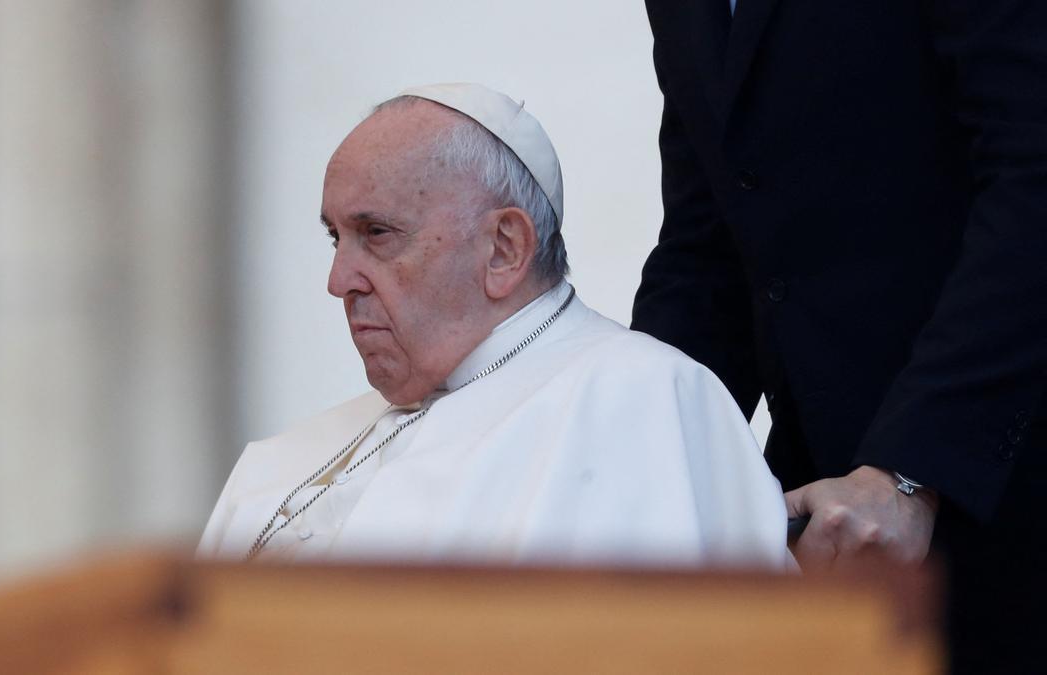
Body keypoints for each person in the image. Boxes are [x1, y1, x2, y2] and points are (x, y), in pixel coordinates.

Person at [200, 82, 788, 569]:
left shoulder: (642, 399)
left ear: (505, 249)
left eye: (376, 234)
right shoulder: (293, 455)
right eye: (336, 237)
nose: (338, 280)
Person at [631, 2, 1046, 671]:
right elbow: (708, 237)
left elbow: (1034, 181)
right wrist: (627, 454)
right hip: (820, 510)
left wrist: (911, 473)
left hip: (998, 480)